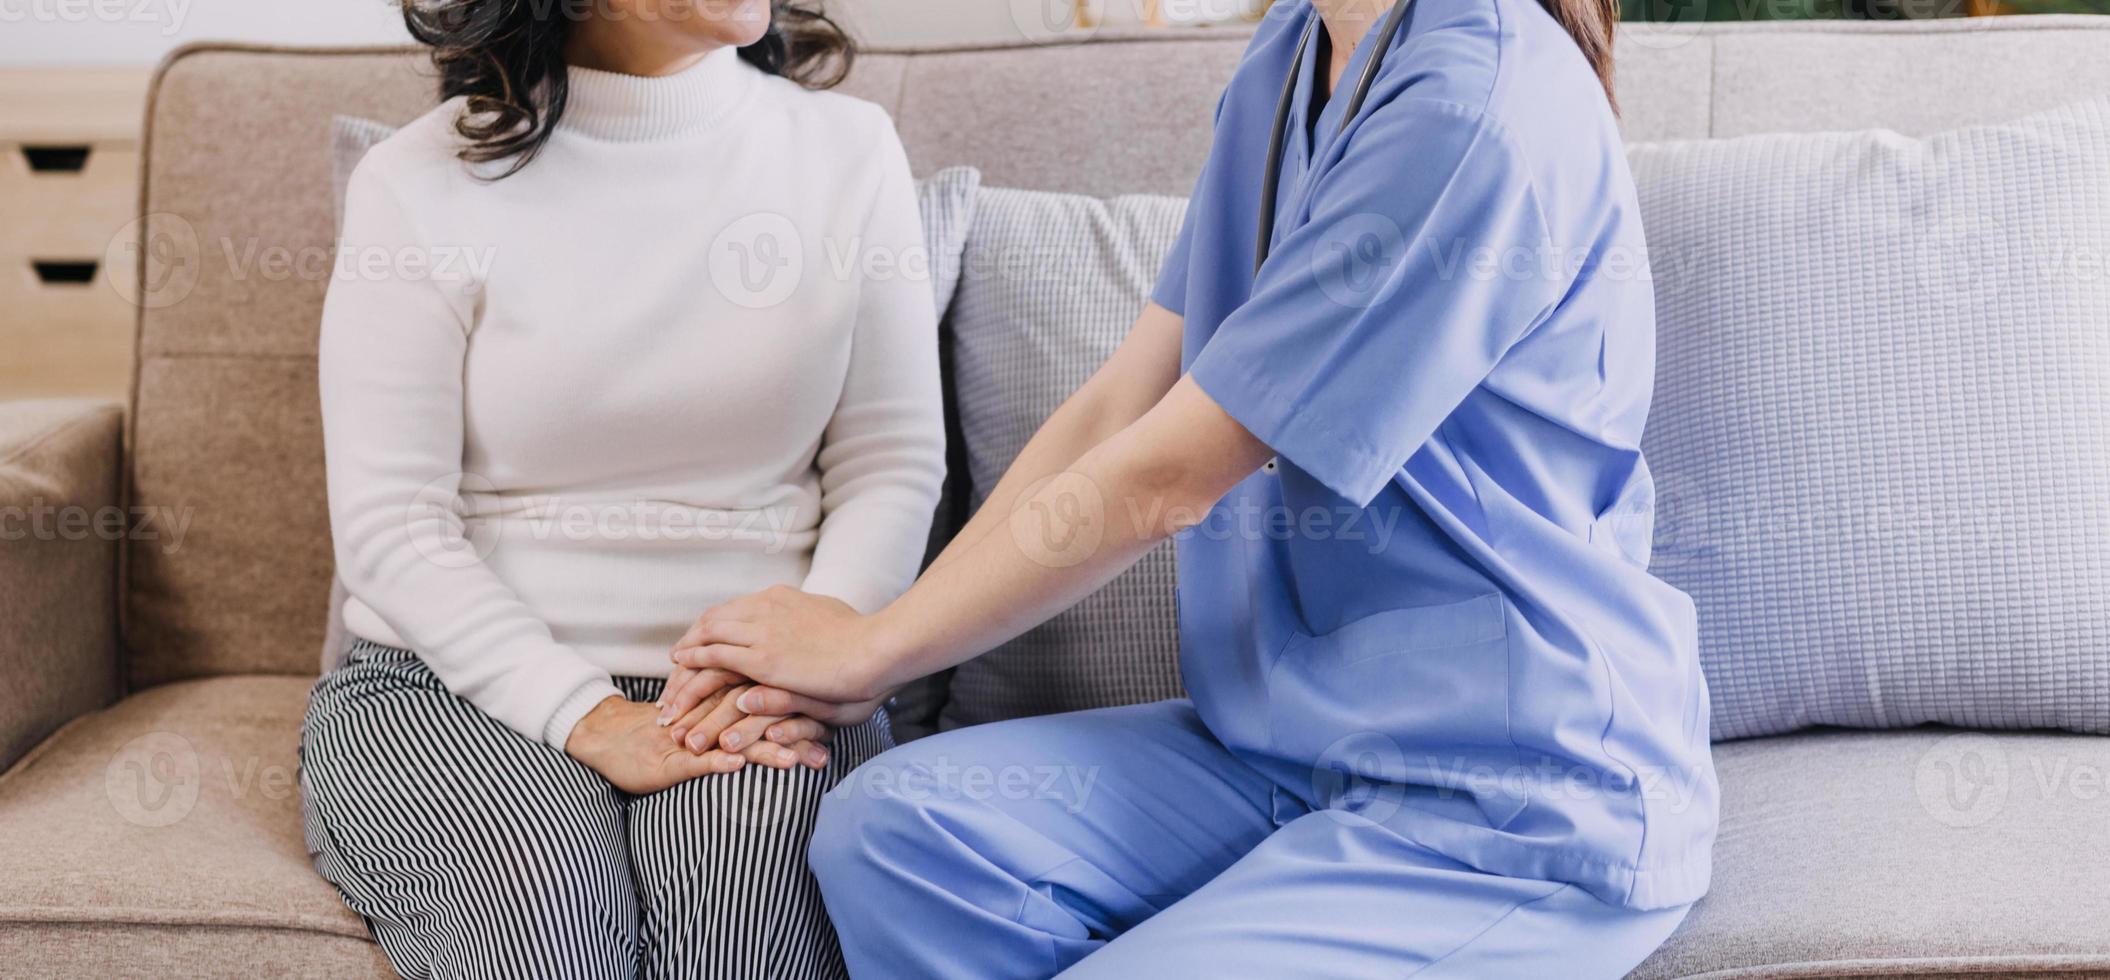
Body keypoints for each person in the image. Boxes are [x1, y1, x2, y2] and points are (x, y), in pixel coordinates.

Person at [659, 0, 1720, 975]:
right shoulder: (1295, 49)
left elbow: (1170, 476)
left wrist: (867, 650)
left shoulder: (1471, 107)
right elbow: (1124, 402)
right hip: (1289, 747)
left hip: (1507, 803)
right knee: (895, 833)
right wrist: (875, 646)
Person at [298, 1, 945, 976]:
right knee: (546, 934)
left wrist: (812, 648)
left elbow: (889, 459)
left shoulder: (847, 151)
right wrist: (588, 714)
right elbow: (393, 524)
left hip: (762, 689)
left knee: (740, 946)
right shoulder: (418, 181)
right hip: (451, 684)